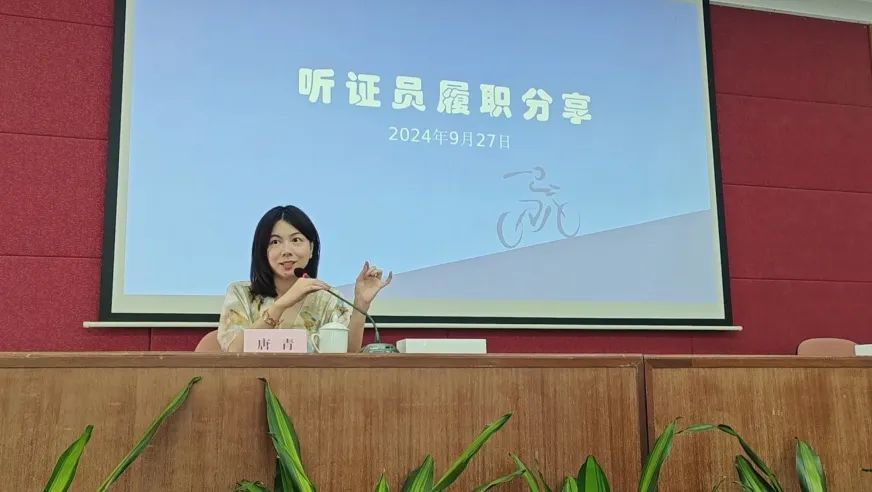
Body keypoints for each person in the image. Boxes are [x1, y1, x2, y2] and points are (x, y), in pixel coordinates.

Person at [218, 205, 392, 352]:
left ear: (311, 249)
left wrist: (361, 304)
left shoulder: (327, 298)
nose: (286, 251)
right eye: (275, 242)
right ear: (263, 251)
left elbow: (348, 356)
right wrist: (280, 305)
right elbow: (234, 352)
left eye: (296, 240)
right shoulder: (241, 294)